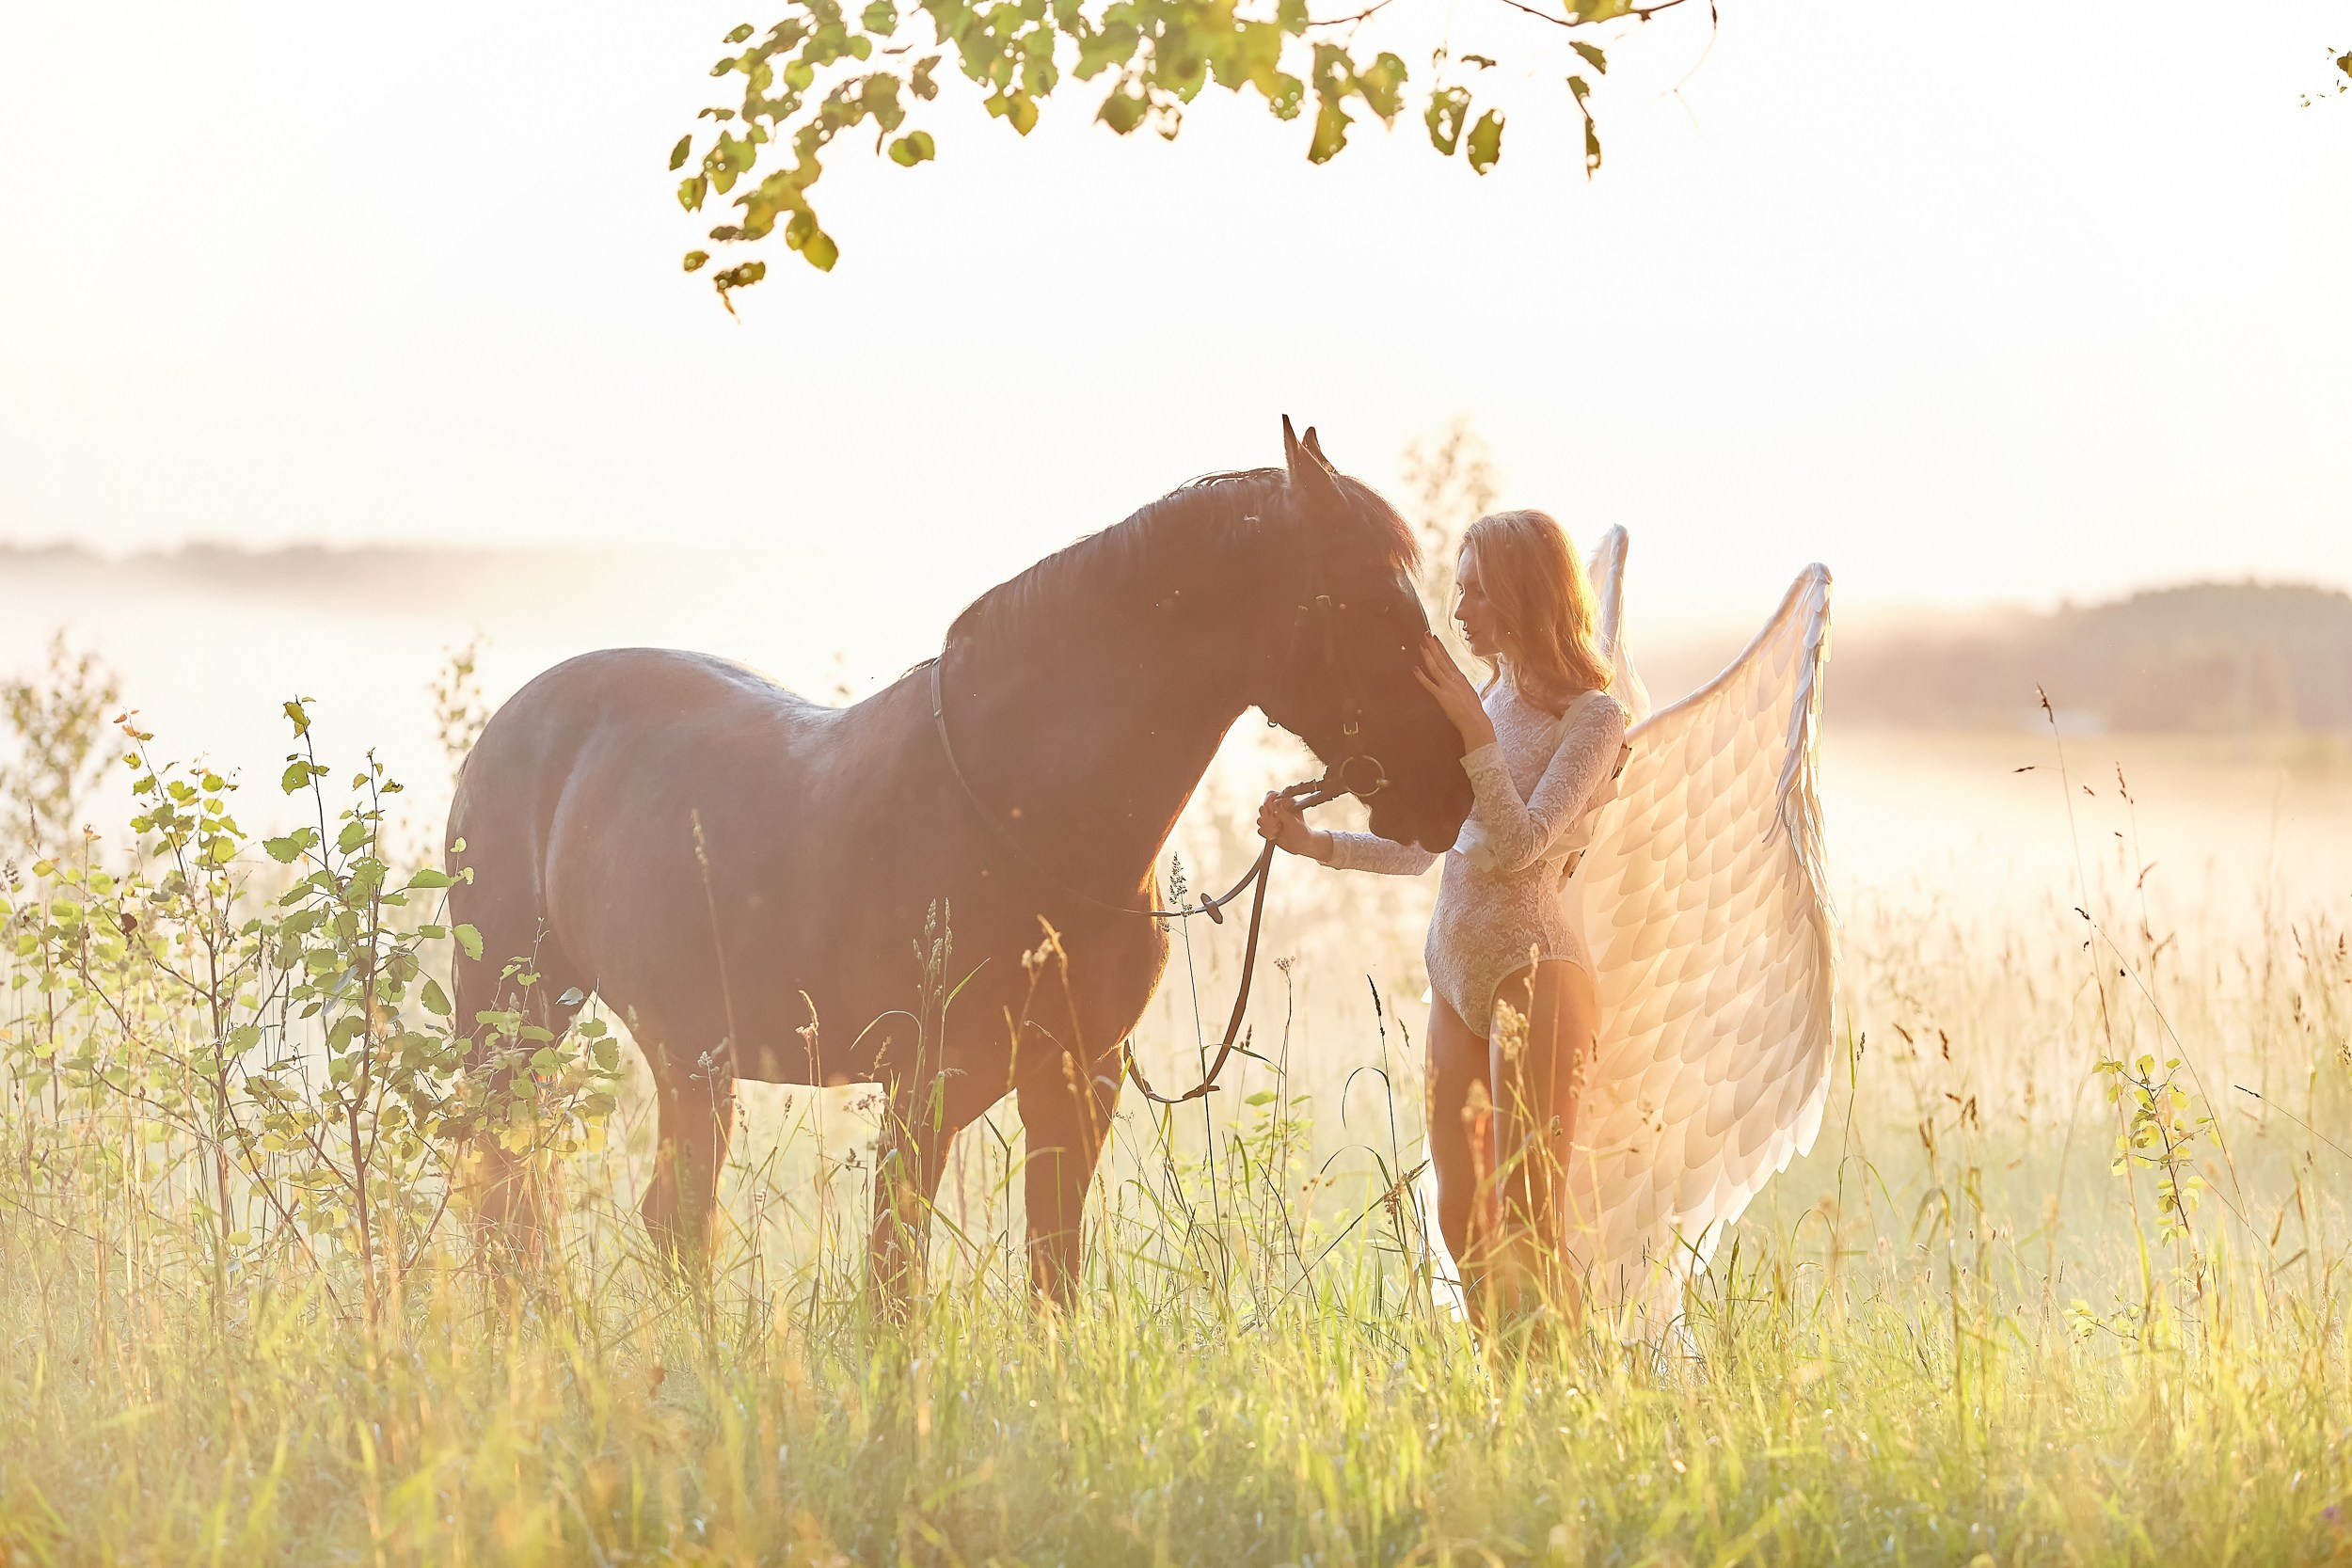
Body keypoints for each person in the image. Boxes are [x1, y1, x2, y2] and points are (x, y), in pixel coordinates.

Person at [1259, 509, 1629, 1328]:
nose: (1457, 611)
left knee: (1530, 1220)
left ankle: (1574, 1400)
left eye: (1473, 593)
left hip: (1534, 972)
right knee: (1461, 1219)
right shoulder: (1490, 693)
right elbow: (1434, 850)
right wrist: (1313, 843)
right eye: (1457, 591)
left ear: (1520, 596)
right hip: (1452, 976)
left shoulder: (1591, 718)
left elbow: (1524, 845)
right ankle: (1507, 1392)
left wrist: (1471, 730)